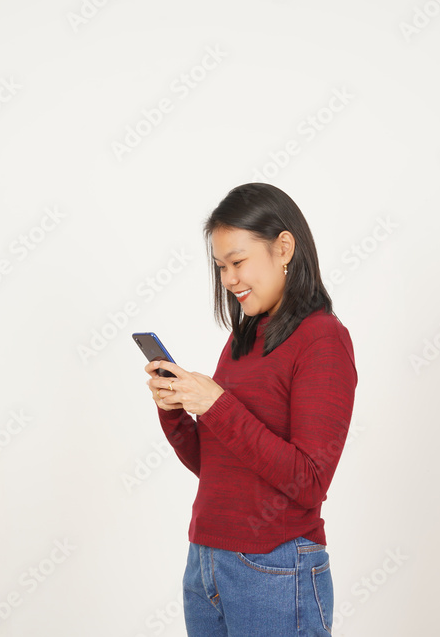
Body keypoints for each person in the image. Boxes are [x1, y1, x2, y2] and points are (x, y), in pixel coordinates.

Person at [143, 182, 357, 636]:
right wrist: (176, 411)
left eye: (238, 262)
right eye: (221, 267)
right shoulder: (242, 340)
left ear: (284, 248)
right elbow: (215, 464)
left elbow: (309, 481)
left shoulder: (323, 339)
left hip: (275, 567)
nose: (228, 280)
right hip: (206, 561)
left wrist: (217, 405)